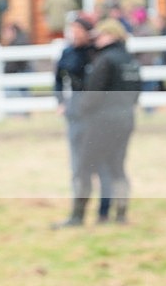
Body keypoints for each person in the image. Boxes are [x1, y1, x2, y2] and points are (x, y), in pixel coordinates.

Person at [75, 19, 141, 224]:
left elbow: (94, 93)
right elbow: (136, 93)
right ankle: (120, 214)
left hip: (103, 121)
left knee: (84, 167)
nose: (97, 40)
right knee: (117, 168)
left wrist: (82, 109)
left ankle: (77, 215)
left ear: (111, 35)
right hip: (126, 119)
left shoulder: (105, 60)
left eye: (100, 36)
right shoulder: (130, 61)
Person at [52, 17, 110, 227]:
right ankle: (78, 213)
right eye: (72, 30)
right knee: (78, 166)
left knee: (101, 165)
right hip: (76, 114)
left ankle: (105, 211)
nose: (74, 34)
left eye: (78, 30)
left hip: (95, 115)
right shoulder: (68, 53)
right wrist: (60, 102)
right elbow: (58, 79)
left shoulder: (96, 53)